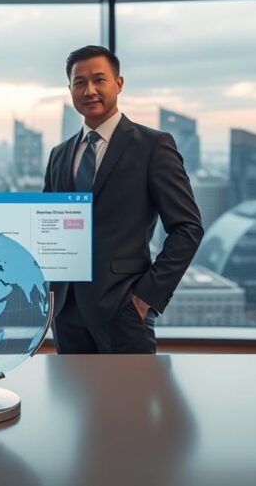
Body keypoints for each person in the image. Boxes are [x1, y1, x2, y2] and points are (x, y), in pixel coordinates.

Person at [43, 45, 203, 354]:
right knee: (75, 401)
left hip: (123, 309)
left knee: (130, 400)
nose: (89, 90)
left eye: (99, 80)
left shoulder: (152, 146)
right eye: (80, 82)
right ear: (70, 90)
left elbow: (188, 228)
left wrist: (145, 300)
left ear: (118, 83)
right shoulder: (60, 154)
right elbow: (47, 225)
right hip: (66, 311)